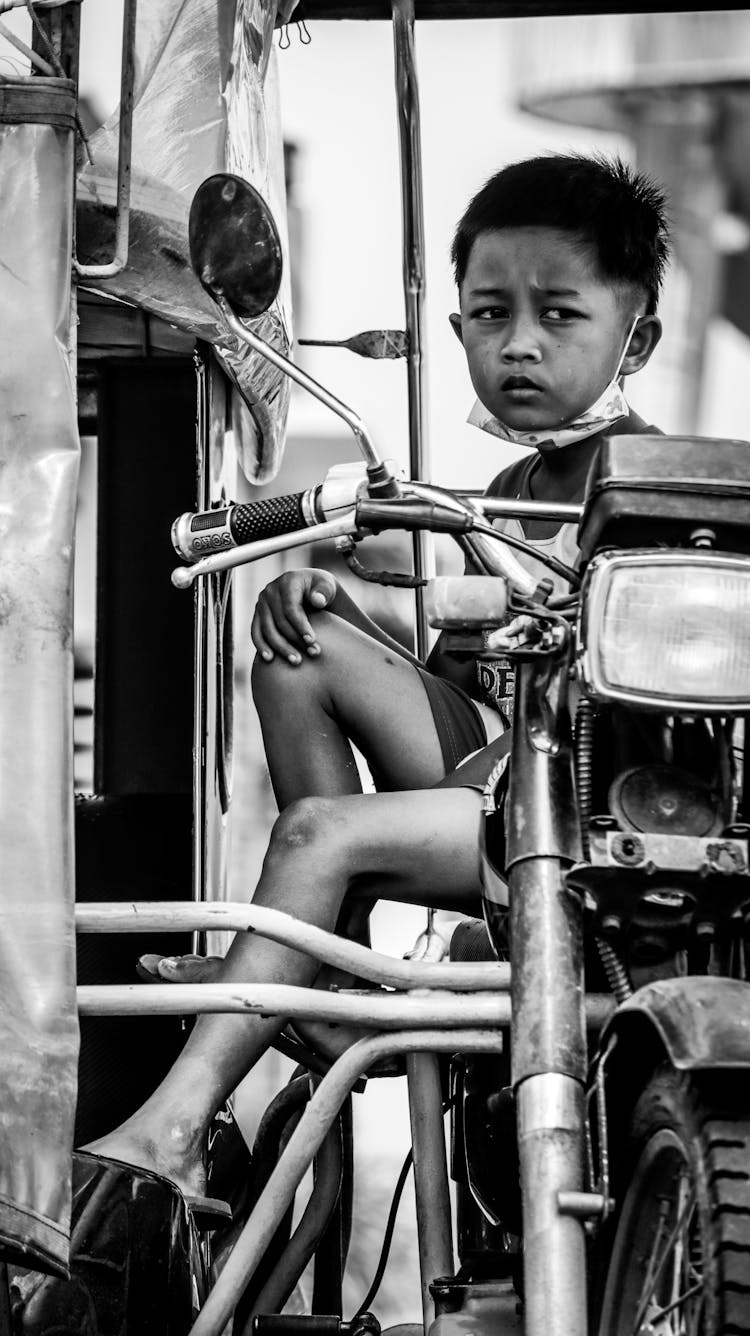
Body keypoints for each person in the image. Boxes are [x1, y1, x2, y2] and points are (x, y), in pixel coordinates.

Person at [85, 152, 670, 1202]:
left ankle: (171, 1127)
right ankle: (329, 952)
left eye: (560, 316)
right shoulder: (503, 488)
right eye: (490, 315)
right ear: (455, 331)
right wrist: (331, 605)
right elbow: (471, 691)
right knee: (296, 635)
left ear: (640, 338)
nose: (519, 344)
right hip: (504, 776)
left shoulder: (655, 490)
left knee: (320, 833)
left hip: (588, 811)